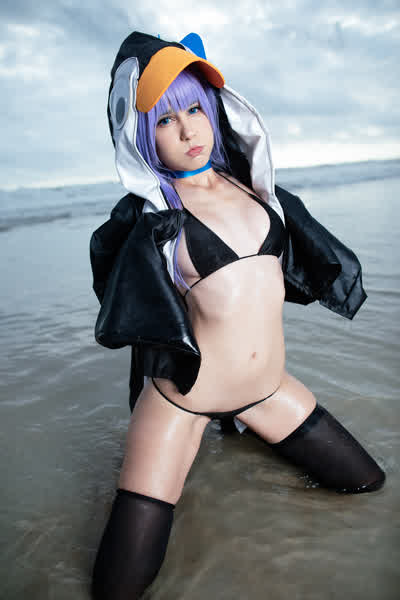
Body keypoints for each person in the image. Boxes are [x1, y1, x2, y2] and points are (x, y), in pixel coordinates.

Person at [89, 31, 386, 600]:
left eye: (195, 110)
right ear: (140, 133)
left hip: (268, 390)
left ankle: (244, 429)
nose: (188, 131)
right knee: (118, 587)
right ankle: (215, 428)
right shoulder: (154, 219)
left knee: (366, 484)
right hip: (184, 402)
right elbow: (122, 298)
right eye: (165, 119)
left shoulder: (256, 187)